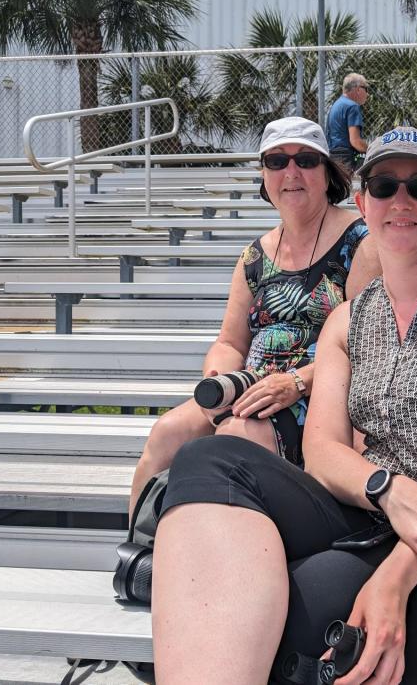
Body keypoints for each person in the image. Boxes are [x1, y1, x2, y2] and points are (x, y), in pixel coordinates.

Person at [151, 129, 417, 683]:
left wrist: (394, 579)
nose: (401, 201)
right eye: (384, 186)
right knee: (206, 459)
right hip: (383, 519)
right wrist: (389, 491)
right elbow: (321, 451)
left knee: (290, 633)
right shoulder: (349, 319)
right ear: (363, 202)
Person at [128, 116, 380, 513]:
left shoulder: (360, 243)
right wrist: (219, 379)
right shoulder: (254, 256)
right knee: (166, 434)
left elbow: (369, 348)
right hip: (251, 389)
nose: (291, 172)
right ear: (264, 175)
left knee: (233, 440)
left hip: (321, 394)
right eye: (277, 161)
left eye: (306, 160)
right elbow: (230, 342)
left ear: (327, 173)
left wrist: (295, 382)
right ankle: (142, 560)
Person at [326, 73, 370, 172]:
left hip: (333, 156)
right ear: (358, 89)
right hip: (345, 158)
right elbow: (355, 141)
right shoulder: (352, 106)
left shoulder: (337, 104)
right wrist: (372, 150)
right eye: (366, 89)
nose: (367, 94)